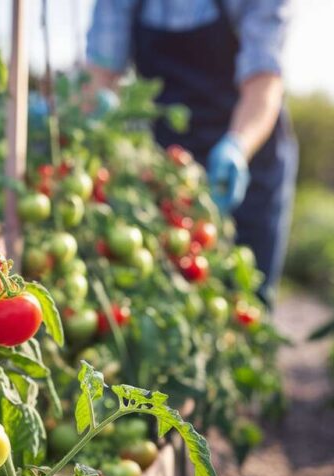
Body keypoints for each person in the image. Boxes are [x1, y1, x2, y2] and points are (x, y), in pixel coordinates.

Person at [86, 0, 298, 302]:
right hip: (169, 166)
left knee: (247, 295)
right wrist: (80, 118)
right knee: (169, 291)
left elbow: (264, 83)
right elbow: (99, 75)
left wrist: (238, 147)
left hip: (250, 156)